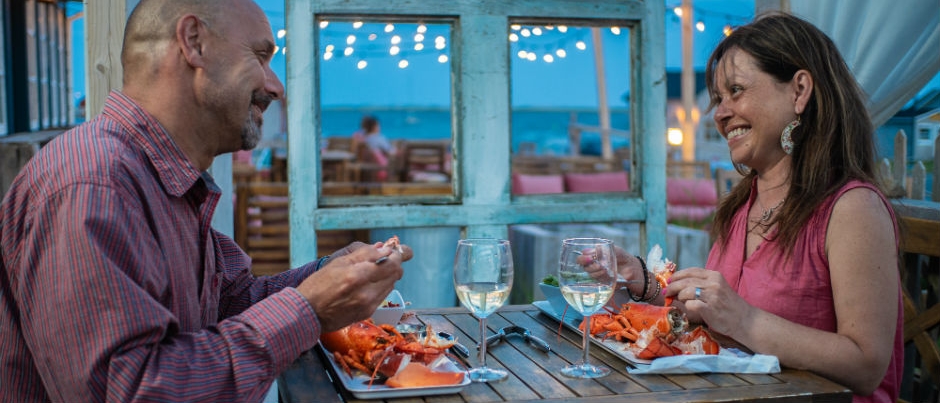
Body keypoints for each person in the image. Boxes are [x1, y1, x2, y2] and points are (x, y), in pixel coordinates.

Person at [0, 1, 411, 402]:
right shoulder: (94, 184)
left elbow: (228, 304)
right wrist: (308, 310)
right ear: (193, 42)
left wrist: (332, 275)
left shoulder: (157, 176)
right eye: (261, 56)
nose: (276, 86)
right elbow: (134, 390)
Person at [611, 12, 902, 402]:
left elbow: (867, 365)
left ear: (799, 90)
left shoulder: (852, 209)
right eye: (718, 98)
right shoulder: (742, 204)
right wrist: (646, 284)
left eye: (736, 90)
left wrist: (745, 319)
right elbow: (717, 319)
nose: (720, 112)